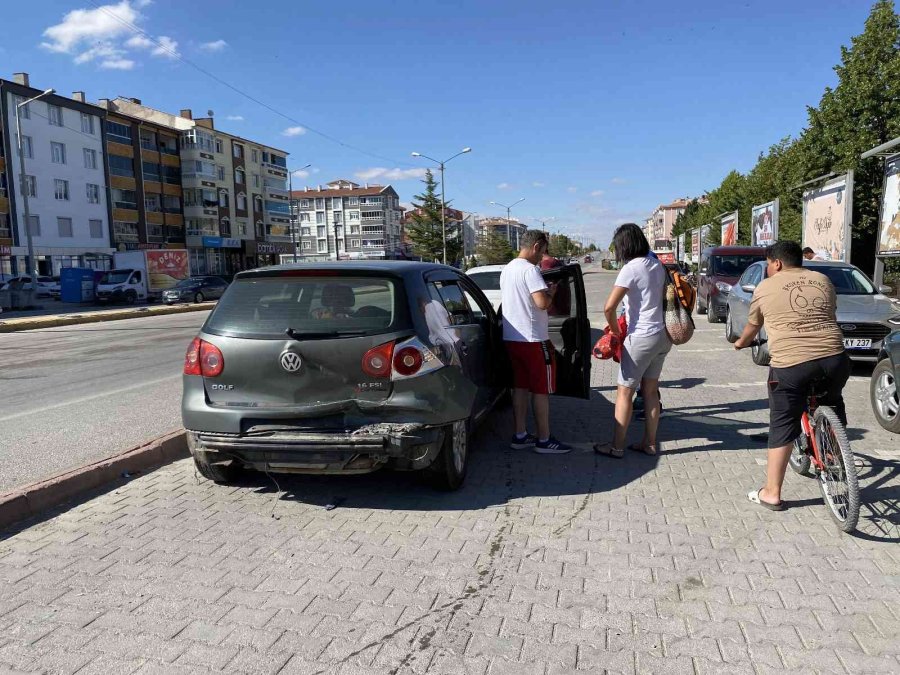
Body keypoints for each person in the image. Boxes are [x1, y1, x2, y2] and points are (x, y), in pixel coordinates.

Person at [734, 240, 849, 511]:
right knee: (832, 399)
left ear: (776, 263)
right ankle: (833, 450)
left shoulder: (765, 287)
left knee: (783, 421)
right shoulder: (823, 279)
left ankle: (772, 492)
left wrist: (740, 343)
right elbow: (829, 314)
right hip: (836, 358)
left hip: (792, 364)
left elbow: (754, 325)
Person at [594, 223, 671, 458]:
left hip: (640, 337)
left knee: (624, 393)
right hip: (662, 335)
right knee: (650, 392)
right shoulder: (657, 264)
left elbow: (609, 307)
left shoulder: (631, 268)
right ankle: (649, 443)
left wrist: (616, 332)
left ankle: (616, 446)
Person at [501, 230, 571, 454]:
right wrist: (551, 292)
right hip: (534, 339)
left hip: (512, 338)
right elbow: (541, 304)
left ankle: (520, 435)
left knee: (519, 388)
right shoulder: (531, 271)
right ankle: (544, 440)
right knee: (541, 390)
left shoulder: (508, 268)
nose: (543, 256)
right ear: (537, 246)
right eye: (543, 251)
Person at [539, 250, 572, 315]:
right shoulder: (557, 263)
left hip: (554, 312)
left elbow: (543, 303)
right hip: (564, 309)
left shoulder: (546, 263)